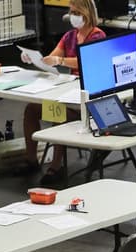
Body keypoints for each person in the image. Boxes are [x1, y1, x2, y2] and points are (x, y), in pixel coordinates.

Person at [21, 0, 105, 185]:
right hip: (70, 91)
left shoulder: (98, 37)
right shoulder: (69, 36)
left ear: (87, 13)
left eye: (77, 12)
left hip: (90, 95)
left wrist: (60, 60)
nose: (73, 16)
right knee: (31, 109)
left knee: (57, 113)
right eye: (72, 11)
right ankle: (31, 159)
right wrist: (33, 59)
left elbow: (83, 61)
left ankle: (56, 167)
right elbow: (52, 58)